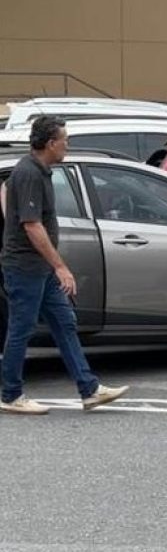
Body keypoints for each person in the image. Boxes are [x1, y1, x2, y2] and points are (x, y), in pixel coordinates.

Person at [0, 116, 129, 415]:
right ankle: (10, 395)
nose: (67, 146)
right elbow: (32, 225)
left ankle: (89, 389)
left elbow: (5, 188)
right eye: (64, 140)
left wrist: (10, 221)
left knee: (65, 322)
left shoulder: (34, 170)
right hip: (26, 268)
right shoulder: (30, 173)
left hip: (39, 269)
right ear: (50, 144)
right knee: (21, 329)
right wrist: (61, 267)